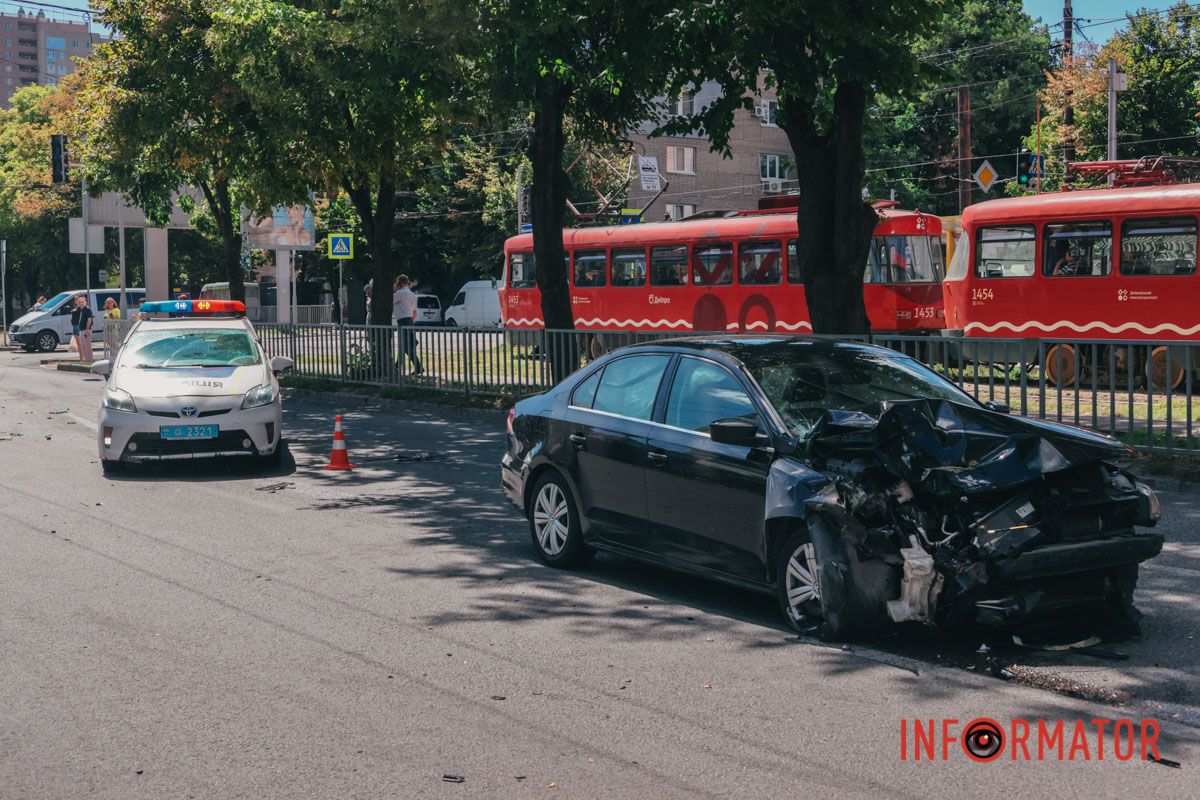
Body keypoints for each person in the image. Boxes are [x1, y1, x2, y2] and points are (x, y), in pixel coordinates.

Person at [392, 274, 422, 375]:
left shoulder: (399, 293)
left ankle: (417, 367)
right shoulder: (412, 294)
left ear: (399, 283)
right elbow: (414, 311)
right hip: (410, 321)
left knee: (406, 347)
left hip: (403, 321)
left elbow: (390, 301)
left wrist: (395, 289)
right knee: (404, 346)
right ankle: (397, 366)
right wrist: (412, 323)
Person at [72, 294, 94, 361]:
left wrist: (87, 329)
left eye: (82, 302)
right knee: (83, 346)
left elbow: (89, 320)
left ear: (85, 302)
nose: (81, 303)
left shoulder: (87, 309)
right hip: (81, 329)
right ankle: (86, 359)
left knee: (88, 345)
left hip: (85, 329)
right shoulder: (82, 310)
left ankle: (90, 359)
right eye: (79, 302)